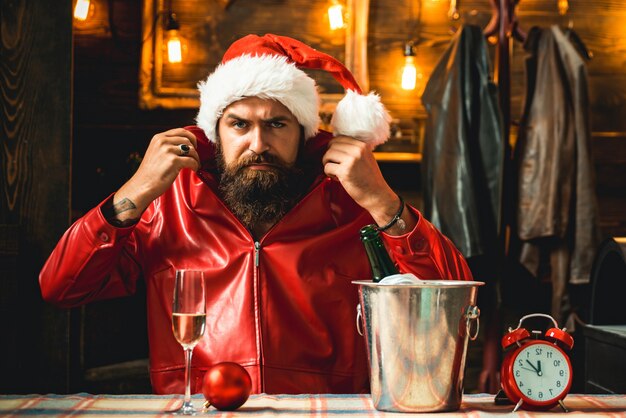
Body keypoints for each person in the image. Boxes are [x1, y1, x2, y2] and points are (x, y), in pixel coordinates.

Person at [40, 33, 472, 395]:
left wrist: (382, 201)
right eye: (240, 124)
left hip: (328, 411)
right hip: (199, 407)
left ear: (304, 133)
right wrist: (133, 193)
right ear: (214, 132)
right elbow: (61, 287)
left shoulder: (353, 202)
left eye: (277, 124)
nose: (259, 143)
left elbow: (455, 301)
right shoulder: (167, 204)